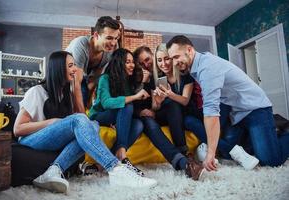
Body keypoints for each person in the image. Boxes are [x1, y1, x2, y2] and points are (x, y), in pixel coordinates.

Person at [13, 51, 157, 193]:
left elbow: (83, 120)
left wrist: (76, 88)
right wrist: (52, 122)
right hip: (31, 139)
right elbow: (18, 129)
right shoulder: (36, 91)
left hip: (51, 139)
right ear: (58, 69)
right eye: (70, 66)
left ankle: (53, 171)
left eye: (74, 65)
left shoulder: (65, 93)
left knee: (93, 125)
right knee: (83, 121)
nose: (75, 69)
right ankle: (115, 169)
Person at [166, 35, 289, 171]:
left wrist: (210, 154)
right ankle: (269, 134)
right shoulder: (198, 64)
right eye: (172, 58)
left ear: (189, 50)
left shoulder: (207, 68)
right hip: (236, 113)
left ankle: (282, 131)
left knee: (271, 160)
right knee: (227, 152)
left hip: (255, 109)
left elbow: (211, 112)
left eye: (176, 56)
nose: (174, 62)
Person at [133, 45, 204, 181]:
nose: (146, 65)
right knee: (152, 120)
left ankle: (184, 154)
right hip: (154, 116)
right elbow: (153, 107)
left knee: (173, 105)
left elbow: (184, 101)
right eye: (142, 63)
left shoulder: (178, 75)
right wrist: (156, 103)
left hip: (178, 113)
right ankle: (184, 162)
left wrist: (167, 97)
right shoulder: (151, 79)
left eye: (148, 60)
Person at [89, 48, 150, 176]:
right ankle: (122, 155)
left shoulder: (127, 81)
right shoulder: (105, 78)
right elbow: (106, 103)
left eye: (132, 62)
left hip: (115, 116)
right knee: (127, 106)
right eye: (127, 62)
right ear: (119, 63)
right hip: (99, 116)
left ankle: (104, 162)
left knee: (139, 124)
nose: (132, 65)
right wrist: (134, 97)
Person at [66, 16, 120, 111]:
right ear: (96, 35)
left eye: (116, 38)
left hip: (83, 77)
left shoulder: (112, 49)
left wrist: (88, 104)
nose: (113, 43)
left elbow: (94, 79)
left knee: (85, 94)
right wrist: (82, 115)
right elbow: (76, 83)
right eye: (109, 38)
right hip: (64, 77)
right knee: (78, 98)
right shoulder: (81, 45)